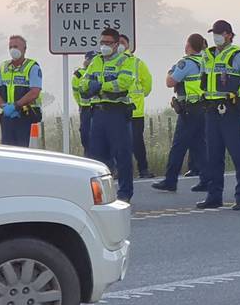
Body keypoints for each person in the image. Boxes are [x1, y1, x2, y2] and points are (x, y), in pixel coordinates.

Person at [198, 20, 240, 210]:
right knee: (213, 155)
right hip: (211, 110)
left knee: (238, 154)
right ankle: (214, 196)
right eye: (214, 33)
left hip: (231, 110)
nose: (216, 37)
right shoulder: (207, 56)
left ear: (229, 35)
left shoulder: (238, 55)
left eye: (219, 33)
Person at [78, 28, 138, 202]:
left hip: (117, 112)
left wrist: (100, 85)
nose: (104, 46)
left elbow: (124, 82)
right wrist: (91, 86)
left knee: (122, 154)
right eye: (102, 42)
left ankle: (125, 193)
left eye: (108, 43)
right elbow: (84, 83)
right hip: (97, 113)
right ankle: (100, 194)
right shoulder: (96, 60)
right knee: (97, 156)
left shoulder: (125, 60)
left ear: (117, 44)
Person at [152, 34, 207, 192]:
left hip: (189, 110)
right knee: (199, 146)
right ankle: (206, 179)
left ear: (189, 46)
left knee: (178, 146)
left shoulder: (186, 63)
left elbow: (171, 82)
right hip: (203, 108)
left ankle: (170, 180)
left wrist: (171, 71)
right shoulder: (206, 61)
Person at [0, 35, 43, 147]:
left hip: (26, 115)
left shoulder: (32, 67)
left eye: (15, 46)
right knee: (7, 150)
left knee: (24, 151)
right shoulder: (4, 67)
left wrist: (16, 106)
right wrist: (5, 107)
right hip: (8, 116)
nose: (12, 49)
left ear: (24, 49)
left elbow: (35, 92)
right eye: (10, 47)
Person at [119, 34, 155, 179]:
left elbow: (147, 84)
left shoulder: (137, 63)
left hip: (135, 111)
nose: (120, 45)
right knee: (118, 143)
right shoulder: (110, 63)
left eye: (123, 42)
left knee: (137, 143)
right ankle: (121, 171)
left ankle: (143, 169)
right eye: (118, 42)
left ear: (128, 45)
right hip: (117, 110)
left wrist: (140, 96)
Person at [71, 51, 97, 158]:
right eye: (91, 59)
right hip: (85, 109)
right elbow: (76, 93)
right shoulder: (78, 74)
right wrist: (81, 105)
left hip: (98, 108)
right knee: (85, 136)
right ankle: (88, 158)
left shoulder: (100, 71)